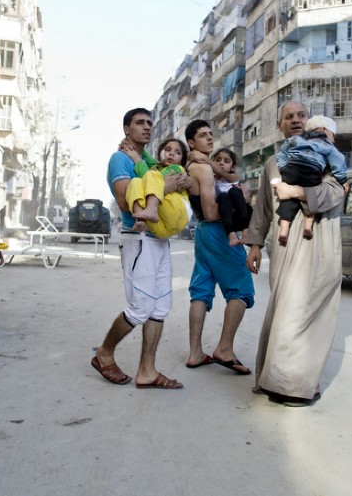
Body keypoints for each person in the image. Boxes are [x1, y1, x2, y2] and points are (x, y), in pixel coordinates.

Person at [246, 100, 346, 407]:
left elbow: (336, 192)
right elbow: (263, 207)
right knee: (284, 311)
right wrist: (254, 244)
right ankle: (274, 379)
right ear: (280, 125)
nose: (296, 120)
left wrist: (297, 193)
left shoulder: (325, 153)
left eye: (301, 115)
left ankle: (294, 386)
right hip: (285, 246)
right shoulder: (273, 163)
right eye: (288, 116)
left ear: (310, 121)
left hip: (320, 241)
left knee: (308, 313)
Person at [91, 108, 190, 390]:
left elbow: (179, 183)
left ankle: (147, 370)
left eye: (149, 123)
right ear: (126, 129)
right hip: (138, 238)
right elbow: (124, 201)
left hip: (160, 239)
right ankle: (104, 353)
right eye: (139, 123)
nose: (147, 127)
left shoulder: (154, 164)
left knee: (160, 308)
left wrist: (182, 181)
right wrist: (169, 185)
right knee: (140, 307)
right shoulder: (120, 159)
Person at [184, 119, 255, 375]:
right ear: (192, 143)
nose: (210, 138)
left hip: (202, 233)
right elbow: (213, 212)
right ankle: (224, 349)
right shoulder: (202, 170)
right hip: (217, 233)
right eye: (203, 136)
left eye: (211, 134)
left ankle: (195, 353)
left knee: (201, 289)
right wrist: (239, 209)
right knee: (242, 288)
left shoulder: (197, 167)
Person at [274, 115, 347, 245]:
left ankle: (283, 230)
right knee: (313, 193)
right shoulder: (327, 145)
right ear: (324, 130)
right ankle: (308, 225)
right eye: (333, 135)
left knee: (288, 200)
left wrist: (284, 167)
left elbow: (283, 151)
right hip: (311, 171)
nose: (334, 140)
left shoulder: (296, 139)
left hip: (291, 170)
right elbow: (338, 162)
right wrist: (342, 180)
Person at [123, 138, 191, 239]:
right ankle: (141, 220)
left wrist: (135, 157)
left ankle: (151, 208)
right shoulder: (157, 167)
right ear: (160, 153)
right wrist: (132, 145)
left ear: (182, 159)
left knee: (151, 175)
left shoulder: (177, 169)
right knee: (135, 182)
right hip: (161, 225)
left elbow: (148, 176)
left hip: (178, 210)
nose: (171, 154)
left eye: (177, 152)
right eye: (167, 150)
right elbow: (149, 158)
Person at [212, 147, 251, 247]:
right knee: (223, 196)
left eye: (226, 161)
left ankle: (246, 230)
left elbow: (245, 200)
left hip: (238, 217)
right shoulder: (211, 179)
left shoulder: (234, 179)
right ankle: (231, 234)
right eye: (218, 160)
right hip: (224, 217)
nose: (221, 163)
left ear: (232, 167)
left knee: (235, 191)